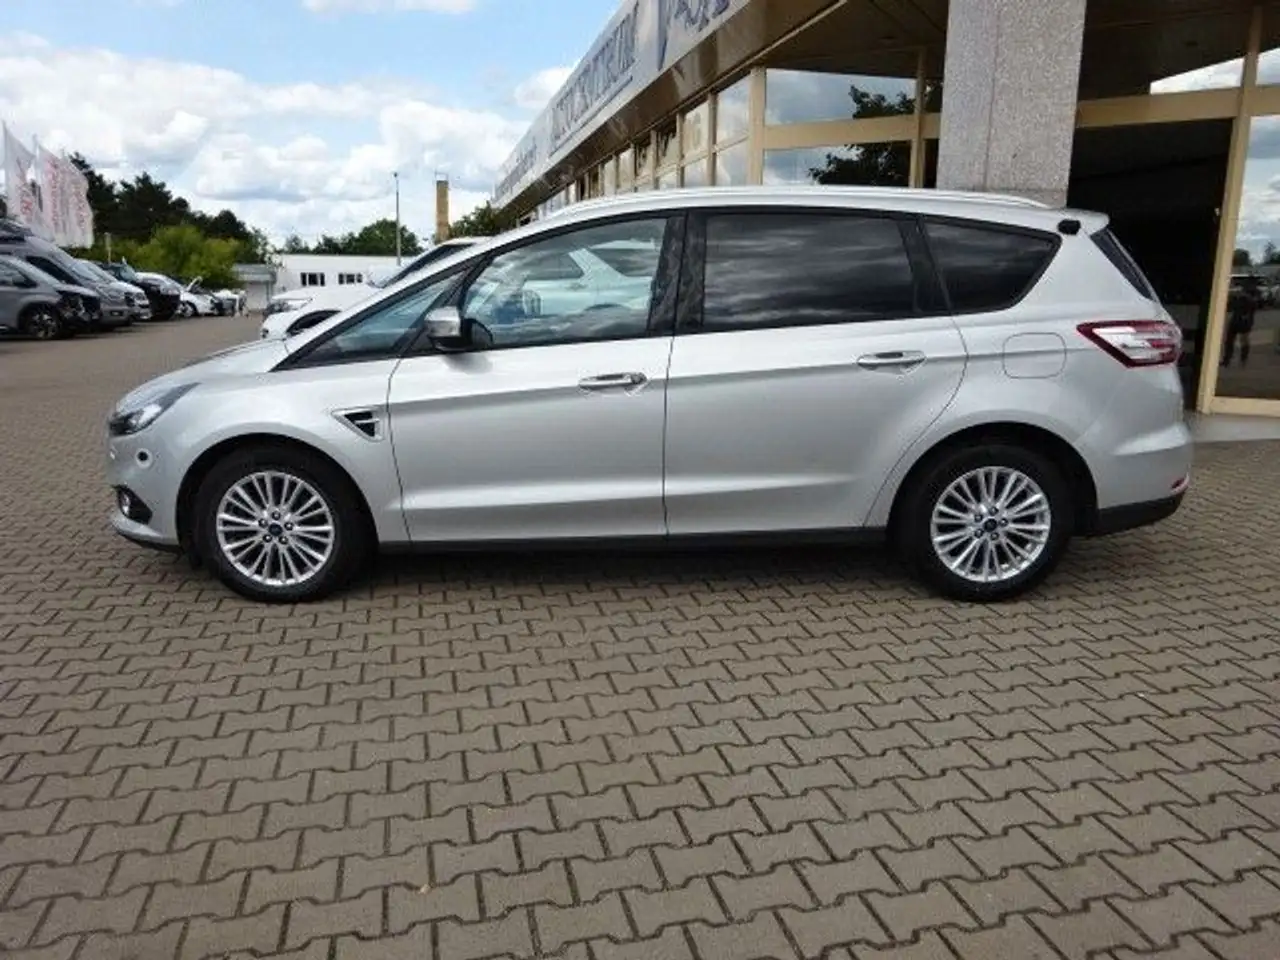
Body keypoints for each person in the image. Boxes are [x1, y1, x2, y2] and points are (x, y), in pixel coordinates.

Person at [1223, 282, 1257, 367]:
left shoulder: (1247, 300)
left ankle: (1231, 359)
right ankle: (1235, 359)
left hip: (1240, 322)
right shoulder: (1246, 300)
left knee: (1236, 340)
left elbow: (1232, 308)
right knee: (1236, 341)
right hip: (1239, 322)